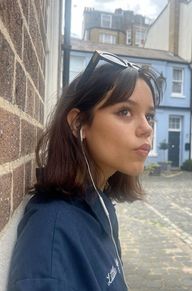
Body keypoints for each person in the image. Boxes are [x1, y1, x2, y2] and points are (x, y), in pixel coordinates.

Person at [7, 51, 163, 291]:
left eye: (149, 116)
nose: (146, 128)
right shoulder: (52, 237)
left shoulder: (100, 202)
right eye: (125, 111)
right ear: (79, 124)